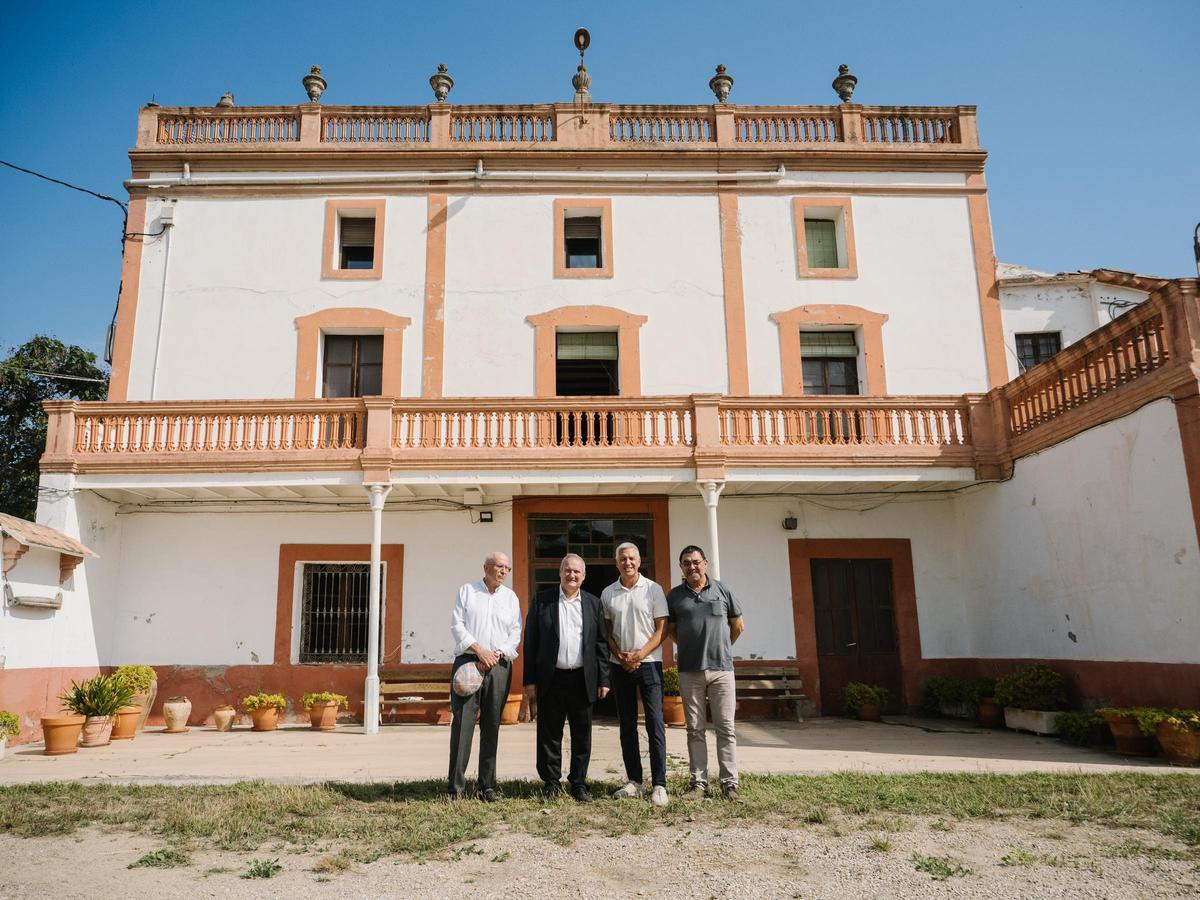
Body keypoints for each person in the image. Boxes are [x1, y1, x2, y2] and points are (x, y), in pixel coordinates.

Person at [522, 553, 610, 802]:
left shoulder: (594, 603)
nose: (572, 575)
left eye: (577, 572)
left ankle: (579, 782)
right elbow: (531, 643)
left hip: (582, 678)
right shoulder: (542, 601)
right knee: (549, 733)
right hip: (552, 678)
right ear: (560, 573)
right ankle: (551, 782)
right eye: (567, 570)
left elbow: (601, 644)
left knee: (582, 733)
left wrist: (603, 679)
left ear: (584, 576)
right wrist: (529, 681)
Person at [666, 544, 745, 801]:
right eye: (686, 563)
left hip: (722, 670)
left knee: (726, 728)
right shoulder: (675, 596)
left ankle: (730, 784)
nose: (692, 567)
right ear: (681, 567)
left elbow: (738, 626)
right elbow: (672, 631)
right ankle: (698, 785)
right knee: (695, 729)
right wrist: (693, 647)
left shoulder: (723, 590)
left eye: (696, 562)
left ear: (705, 563)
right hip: (690, 671)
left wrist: (721, 648)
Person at [447, 551, 522, 801]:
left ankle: (486, 786)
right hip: (469, 662)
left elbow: (515, 633)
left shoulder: (511, 598)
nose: (503, 572)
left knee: (491, 725)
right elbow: (457, 626)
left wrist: (497, 653)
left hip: (498, 665)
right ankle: (456, 787)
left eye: (507, 568)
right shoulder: (467, 591)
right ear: (486, 567)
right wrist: (479, 650)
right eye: (499, 566)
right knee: (462, 725)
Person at [601, 541, 669, 807]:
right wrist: (620, 656)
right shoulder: (609, 593)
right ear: (616, 562)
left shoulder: (653, 589)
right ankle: (635, 781)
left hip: (649, 663)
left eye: (632, 558)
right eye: (622, 559)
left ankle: (659, 784)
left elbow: (661, 629)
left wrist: (639, 655)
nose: (627, 562)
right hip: (620, 665)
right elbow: (607, 631)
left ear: (639, 561)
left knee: (655, 723)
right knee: (627, 725)